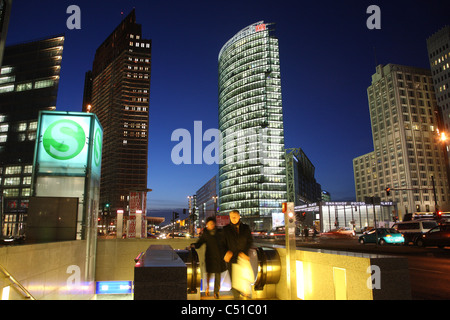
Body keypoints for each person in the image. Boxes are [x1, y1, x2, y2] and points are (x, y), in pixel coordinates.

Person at [192, 216, 226, 299]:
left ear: (215, 224)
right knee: (209, 274)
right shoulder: (205, 233)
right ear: (207, 224)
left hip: (219, 256)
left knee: (218, 275)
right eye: (209, 224)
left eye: (212, 223)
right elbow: (200, 243)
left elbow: (225, 243)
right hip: (209, 257)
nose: (211, 225)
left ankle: (216, 292)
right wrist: (193, 245)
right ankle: (207, 288)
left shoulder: (220, 232)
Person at [222, 210, 253, 299]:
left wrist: (245, 252)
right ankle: (236, 297)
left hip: (243, 257)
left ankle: (243, 292)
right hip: (232, 258)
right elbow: (222, 244)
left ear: (239, 216)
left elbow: (249, 241)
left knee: (244, 277)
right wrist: (226, 252)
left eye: (235, 216)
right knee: (234, 280)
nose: (233, 218)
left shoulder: (246, 228)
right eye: (231, 217)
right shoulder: (226, 229)